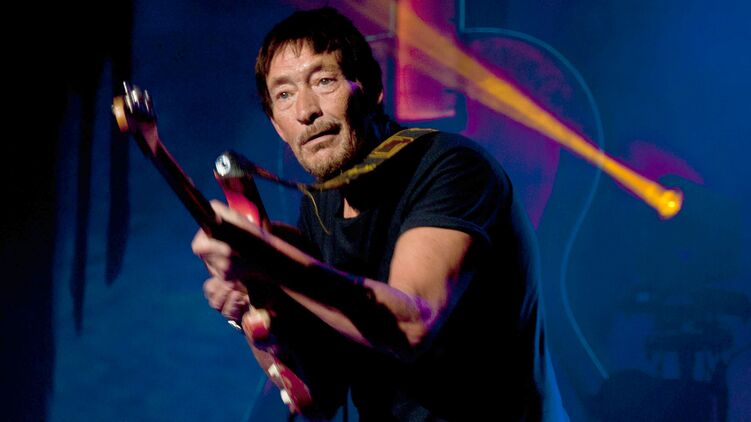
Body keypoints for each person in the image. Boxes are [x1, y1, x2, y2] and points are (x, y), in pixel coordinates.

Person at [191, 7, 566, 421]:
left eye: (324, 81)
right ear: (278, 126)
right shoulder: (321, 206)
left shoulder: (452, 168)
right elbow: (319, 397)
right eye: (284, 95)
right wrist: (253, 301)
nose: (305, 110)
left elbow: (412, 325)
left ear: (370, 88)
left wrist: (268, 259)